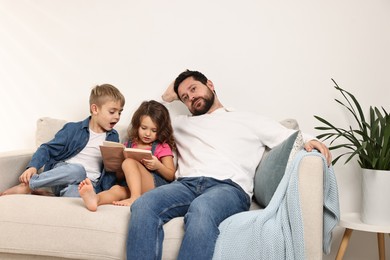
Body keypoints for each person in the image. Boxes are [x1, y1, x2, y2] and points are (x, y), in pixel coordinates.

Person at [126, 70, 332, 260]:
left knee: (202, 209)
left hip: (228, 188)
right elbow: (151, 117)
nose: (191, 98)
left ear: (210, 84)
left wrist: (311, 140)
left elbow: (289, 137)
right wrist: (168, 96)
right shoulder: (180, 123)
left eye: (194, 89)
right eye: (185, 98)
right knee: (144, 205)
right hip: (185, 185)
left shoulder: (247, 119)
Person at [0, 84, 125, 197]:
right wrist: (33, 167)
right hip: (66, 174)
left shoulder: (113, 137)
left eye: (120, 112)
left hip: (89, 184)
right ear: (95, 109)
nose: (117, 117)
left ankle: (48, 194)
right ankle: (30, 185)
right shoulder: (73, 129)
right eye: (112, 112)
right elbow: (47, 149)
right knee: (78, 170)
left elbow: (111, 171)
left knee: (75, 194)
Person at [78, 100, 176, 211]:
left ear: (161, 130)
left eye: (154, 130)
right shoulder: (128, 145)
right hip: (132, 187)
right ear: (137, 126)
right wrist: (119, 167)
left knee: (129, 162)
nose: (148, 134)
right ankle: (96, 199)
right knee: (116, 189)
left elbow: (171, 175)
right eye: (144, 128)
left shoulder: (161, 146)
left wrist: (158, 166)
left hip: (155, 186)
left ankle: (135, 198)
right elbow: (120, 177)